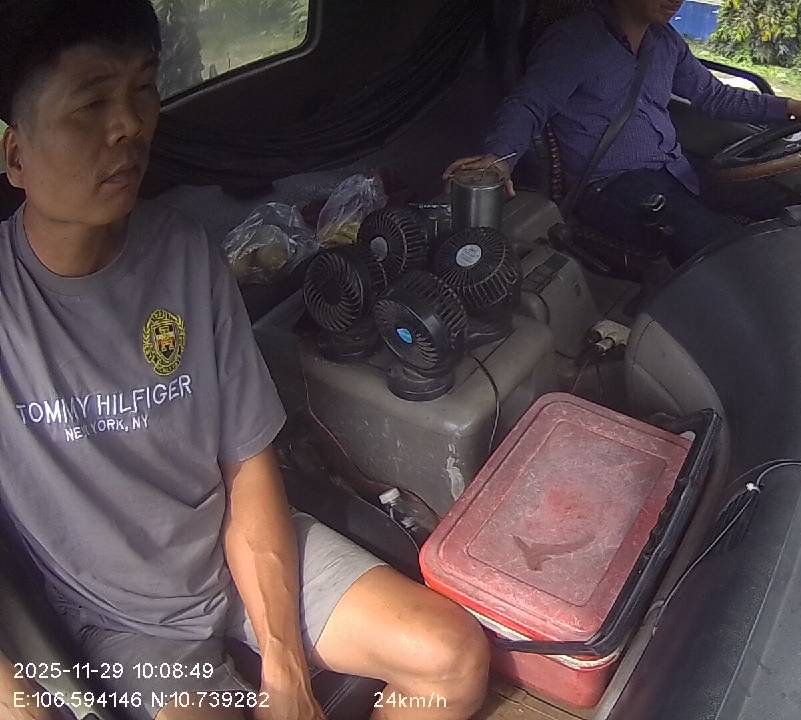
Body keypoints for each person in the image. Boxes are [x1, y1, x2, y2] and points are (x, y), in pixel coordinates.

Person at [0, 2, 488, 719]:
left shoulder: (184, 253)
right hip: (129, 623)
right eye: (91, 103)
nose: (129, 124)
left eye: (142, 90)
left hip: (246, 549)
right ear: (15, 156)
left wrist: (285, 670)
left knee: (453, 661)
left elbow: (247, 463)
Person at [444, 0, 801, 265]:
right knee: (718, 244)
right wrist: (498, 158)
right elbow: (529, 103)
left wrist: (790, 107)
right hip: (611, 185)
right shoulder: (575, 41)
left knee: (789, 204)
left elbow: (713, 96)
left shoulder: (665, 42)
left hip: (676, 169)